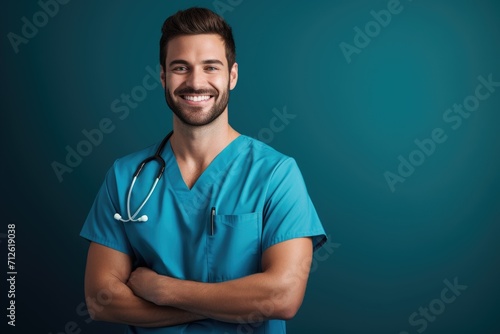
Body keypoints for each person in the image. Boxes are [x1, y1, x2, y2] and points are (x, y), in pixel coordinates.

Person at [80, 7, 326, 333]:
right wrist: (219, 307)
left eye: (211, 67)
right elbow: (101, 299)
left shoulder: (277, 175)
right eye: (181, 68)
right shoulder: (125, 177)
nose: (196, 82)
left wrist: (165, 291)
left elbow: (282, 296)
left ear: (232, 76)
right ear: (163, 77)